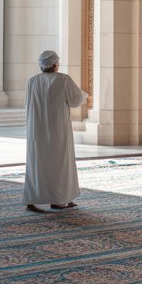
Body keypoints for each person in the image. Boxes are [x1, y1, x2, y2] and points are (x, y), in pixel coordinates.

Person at [24, 50, 88, 213]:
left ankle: (33, 199)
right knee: (59, 162)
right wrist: (84, 95)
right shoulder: (63, 79)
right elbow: (75, 100)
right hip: (57, 129)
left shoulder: (33, 81)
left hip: (36, 129)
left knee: (37, 163)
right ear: (54, 64)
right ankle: (58, 200)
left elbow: (28, 104)